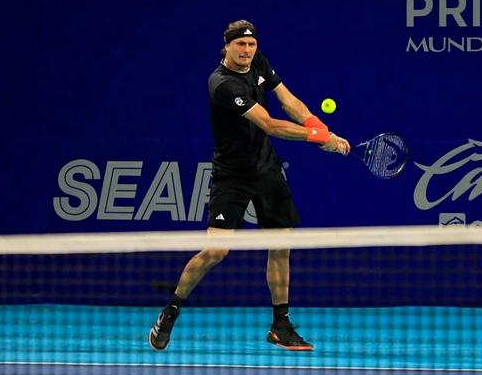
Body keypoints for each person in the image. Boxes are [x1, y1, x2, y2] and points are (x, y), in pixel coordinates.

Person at [149, 20, 350, 352]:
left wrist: (317, 125)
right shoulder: (222, 84)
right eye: (240, 45)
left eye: (251, 45)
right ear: (226, 46)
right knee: (216, 250)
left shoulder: (259, 63)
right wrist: (320, 138)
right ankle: (171, 310)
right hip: (232, 175)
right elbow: (269, 124)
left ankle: (280, 326)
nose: (246, 51)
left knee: (281, 245)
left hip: (266, 168)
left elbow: (289, 102)